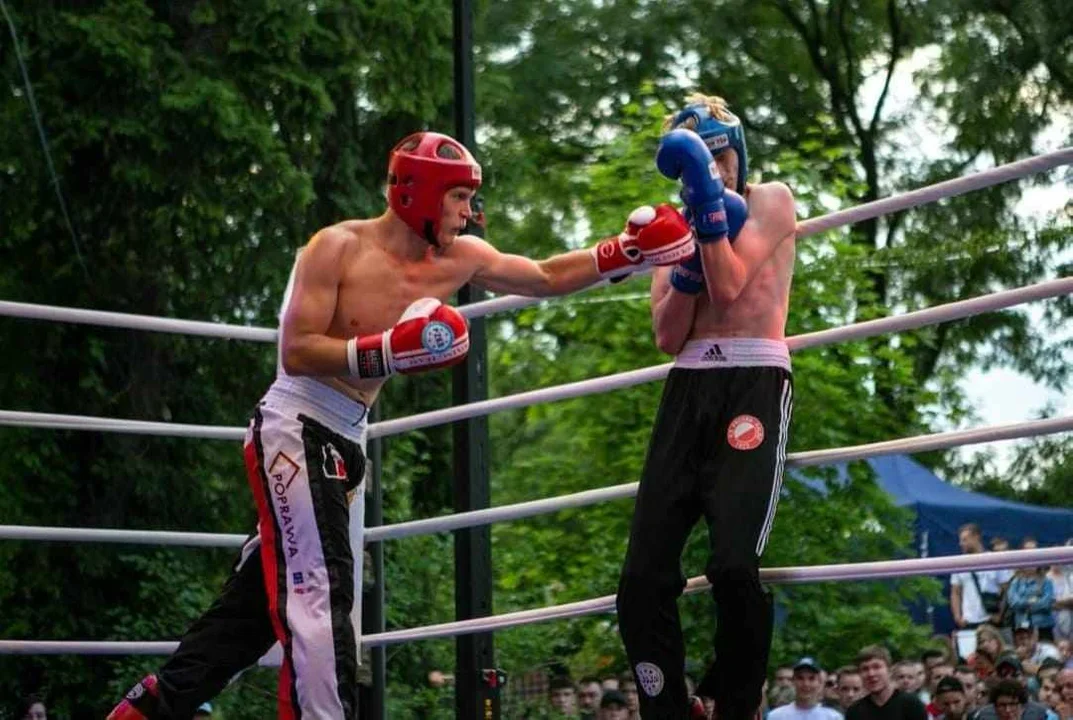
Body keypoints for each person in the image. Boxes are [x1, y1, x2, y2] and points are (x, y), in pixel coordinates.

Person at [108, 130, 696, 720]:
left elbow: (541, 275)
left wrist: (625, 251)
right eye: (460, 197)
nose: (469, 212)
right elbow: (296, 349)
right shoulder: (334, 247)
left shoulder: (459, 257)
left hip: (346, 437)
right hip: (297, 424)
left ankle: (142, 712)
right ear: (424, 193)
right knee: (321, 599)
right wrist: (385, 351)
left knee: (247, 622)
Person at [615, 92, 797, 720]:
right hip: (688, 384)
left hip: (753, 380)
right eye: (701, 160)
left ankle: (730, 701)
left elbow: (731, 283)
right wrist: (684, 255)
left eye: (720, 155)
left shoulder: (772, 200)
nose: (715, 170)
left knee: (734, 565)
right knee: (640, 580)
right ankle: (668, 708)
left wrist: (707, 216)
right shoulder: (672, 225)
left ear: (736, 153)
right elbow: (668, 336)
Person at [847, 645, 929, 720]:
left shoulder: (911, 705)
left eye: (876, 667)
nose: (871, 674)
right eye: (865, 669)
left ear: (889, 670)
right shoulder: (855, 712)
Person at [767, 658, 844, 720]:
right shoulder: (775, 716)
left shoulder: (833, 717)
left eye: (811, 679)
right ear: (793, 681)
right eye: (800, 678)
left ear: (820, 682)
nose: (806, 684)